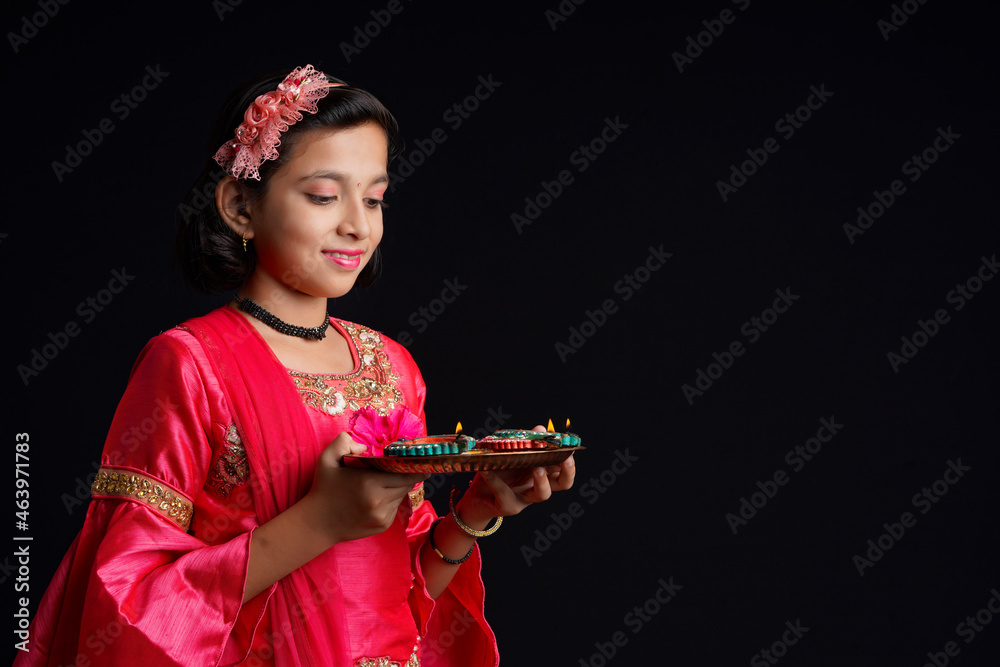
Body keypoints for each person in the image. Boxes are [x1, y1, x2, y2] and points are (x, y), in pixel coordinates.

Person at [16, 64, 575, 667]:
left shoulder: (392, 365)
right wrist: (320, 521)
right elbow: (130, 603)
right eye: (323, 196)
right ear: (239, 206)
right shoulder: (189, 363)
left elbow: (404, 601)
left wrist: (474, 515)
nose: (358, 225)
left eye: (375, 198)